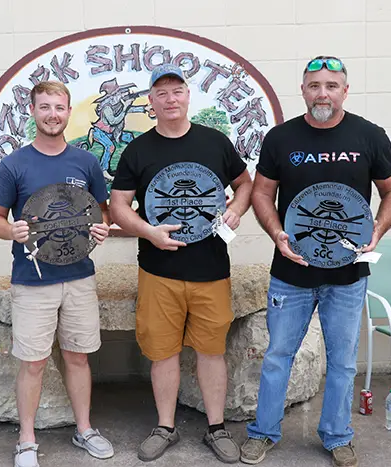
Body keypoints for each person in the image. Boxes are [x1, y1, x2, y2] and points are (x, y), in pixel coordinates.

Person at [240, 56, 391, 466]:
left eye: (332, 85)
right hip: (291, 273)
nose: (323, 93)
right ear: (303, 90)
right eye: (314, 85)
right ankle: (263, 432)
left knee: (343, 362)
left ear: (345, 91)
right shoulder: (281, 138)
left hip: (348, 276)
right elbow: (261, 194)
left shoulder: (369, 136)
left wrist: (377, 230)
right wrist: (277, 234)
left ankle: (337, 436)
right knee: (278, 354)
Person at [110, 63, 254, 464]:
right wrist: (148, 231)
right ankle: (165, 427)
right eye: (162, 93)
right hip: (159, 270)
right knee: (163, 352)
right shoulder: (138, 150)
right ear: (152, 102)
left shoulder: (215, 142)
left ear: (188, 96)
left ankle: (216, 427)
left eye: (177, 91)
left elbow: (245, 184)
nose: (171, 99)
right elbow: (118, 206)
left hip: (211, 268)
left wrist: (237, 210)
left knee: (211, 351)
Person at [0, 81, 113, 467]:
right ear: (33, 111)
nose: (52, 114)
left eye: (59, 107)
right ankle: (26, 440)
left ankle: (84, 429)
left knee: (77, 358)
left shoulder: (86, 162)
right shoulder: (14, 165)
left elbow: (102, 211)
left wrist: (102, 227)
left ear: (68, 112)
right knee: (33, 362)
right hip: (32, 279)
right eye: (45, 107)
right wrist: (12, 230)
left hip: (79, 276)